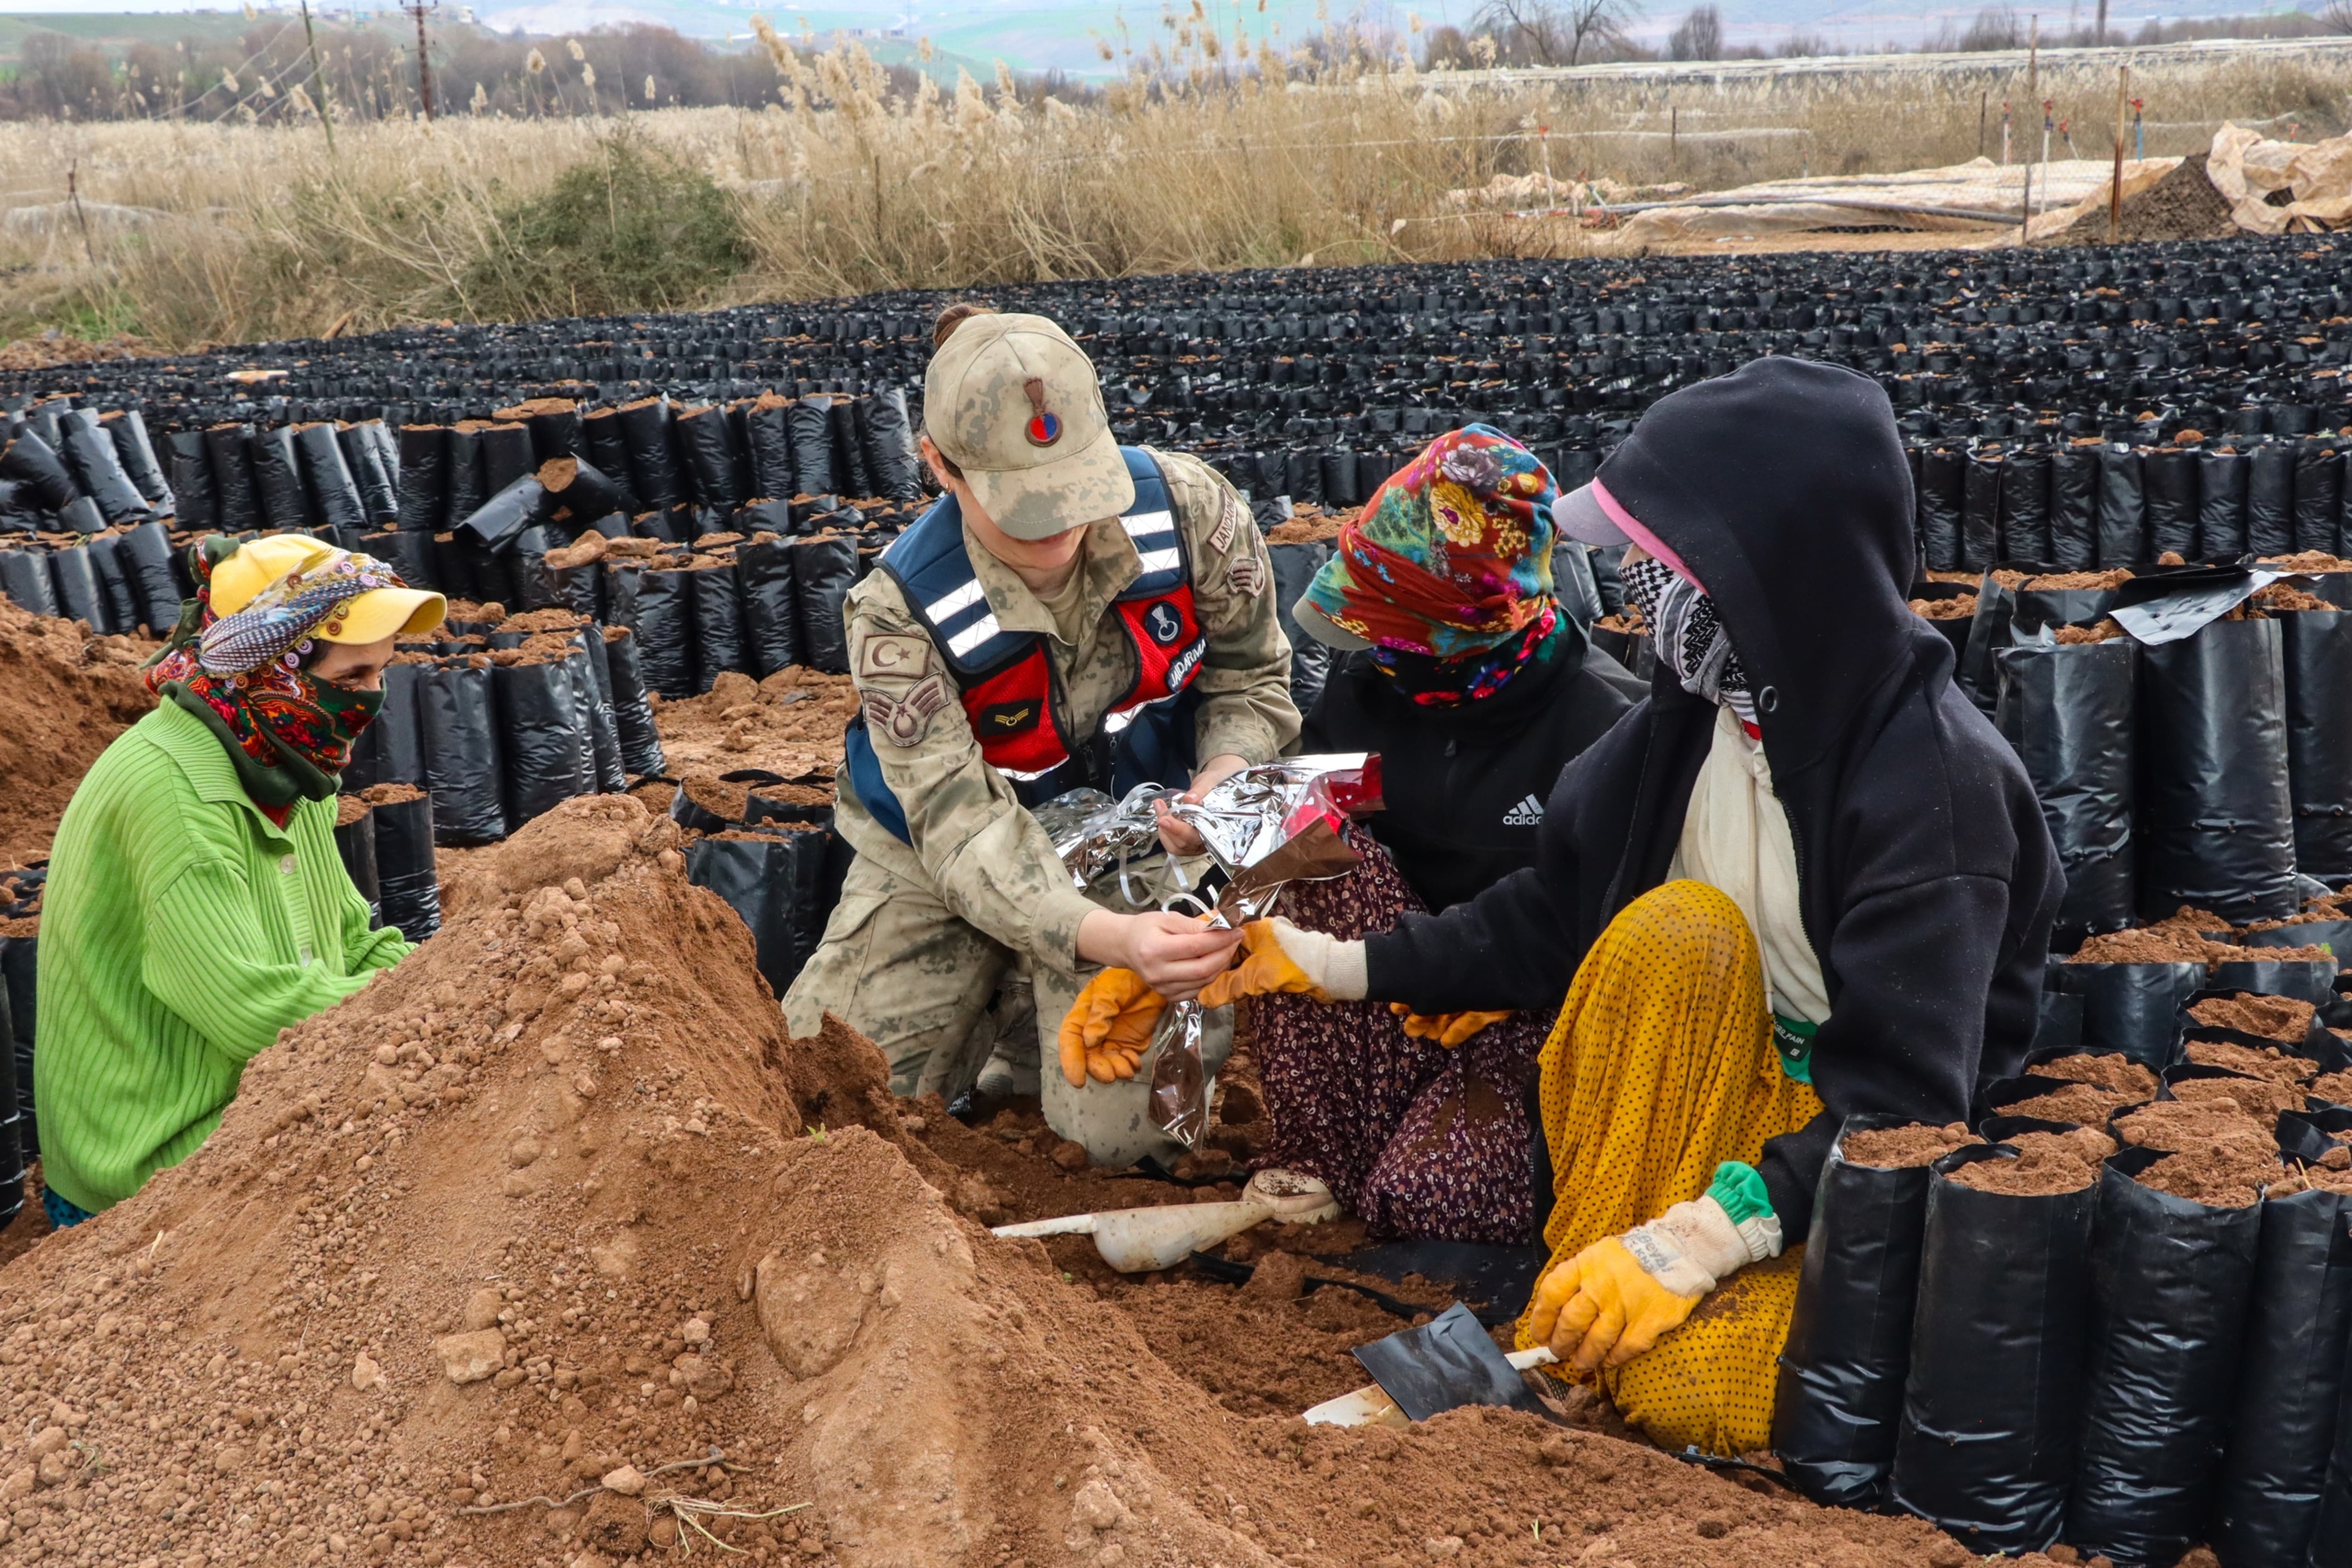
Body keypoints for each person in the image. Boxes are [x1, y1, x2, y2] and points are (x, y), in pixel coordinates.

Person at [1193, 357, 2063, 1454]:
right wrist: (1322, 964)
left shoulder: (1931, 790)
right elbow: (1553, 916)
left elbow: (1903, 1108)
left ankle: (1638, 1298)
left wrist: (1691, 1246)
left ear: (1772, 576)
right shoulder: (1681, 726)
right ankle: (1585, 1288)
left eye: (1666, 569)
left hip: (1840, 1146)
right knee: (1670, 933)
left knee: (1695, 1392)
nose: (1643, 600)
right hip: (1706, 1093)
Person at [783, 306, 1299, 1167]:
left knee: (1126, 1145)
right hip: (942, 855)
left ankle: (1029, 1020)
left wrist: (1221, 777)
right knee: (831, 1111)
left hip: (1135, 831)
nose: (1060, 524)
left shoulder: (1191, 509)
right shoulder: (897, 612)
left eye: (1078, 485)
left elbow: (1251, 676)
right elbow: (960, 827)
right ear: (939, 466)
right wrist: (1103, 938)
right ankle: (1006, 990)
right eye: (1025, 503)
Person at [1202, 424, 1644, 1242]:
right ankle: (1327, 1154)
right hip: (1388, 989)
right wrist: (1185, 938)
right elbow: (1289, 830)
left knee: (1429, 1201)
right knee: (1313, 865)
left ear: (1461, 627)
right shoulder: (1370, 695)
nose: (1372, 645)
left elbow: (1592, 937)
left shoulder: (1603, 728)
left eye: (1391, 623)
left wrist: (1497, 993)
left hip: (1525, 1015)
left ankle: (1406, 1161)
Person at [36, 535, 445, 1224]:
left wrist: (454, 982)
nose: (370, 702)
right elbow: (254, 1012)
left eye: (380, 674)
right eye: (349, 679)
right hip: (151, 1158)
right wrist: (434, 1019)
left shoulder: (286, 760)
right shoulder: (174, 795)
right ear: (266, 671)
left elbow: (351, 940)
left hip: (247, 1097)